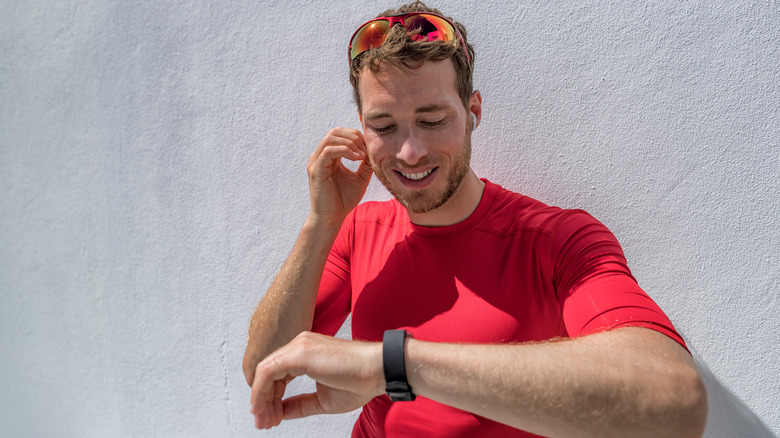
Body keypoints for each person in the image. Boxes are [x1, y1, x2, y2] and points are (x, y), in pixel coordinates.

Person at [242, 2, 708, 437]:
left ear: (472, 112)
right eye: (384, 126)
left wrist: (392, 366)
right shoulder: (358, 230)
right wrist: (321, 223)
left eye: (433, 119)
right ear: (362, 129)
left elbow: (675, 401)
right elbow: (263, 369)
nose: (410, 151)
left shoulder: (557, 240)